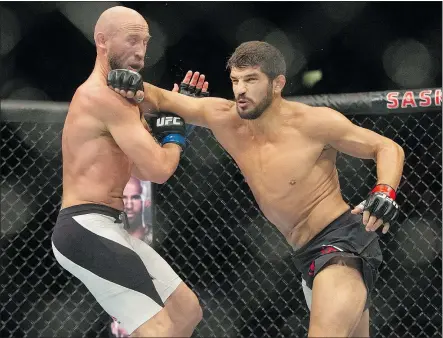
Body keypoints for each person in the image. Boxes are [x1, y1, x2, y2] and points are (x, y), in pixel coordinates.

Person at [109, 40, 404, 337]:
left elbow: (386, 147)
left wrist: (384, 191)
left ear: (277, 84)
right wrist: (132, 82)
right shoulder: (225, 119)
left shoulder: (314, 123)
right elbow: (160, 98)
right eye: (236, 81)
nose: (240, 90)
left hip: (342, 245)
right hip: (306, 253)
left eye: (251, 80)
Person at [51, 6, 208, 337]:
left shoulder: (122, 102)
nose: (141, 52)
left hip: (102, 225)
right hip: (85, 226)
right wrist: (175, 127)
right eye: (132, 40)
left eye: (146, 42)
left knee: (185, 310)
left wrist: (175, 127)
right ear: (102, 41)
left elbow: (141, 168)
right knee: (158, 329)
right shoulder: (105, 98)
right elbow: (161, 169)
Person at [123, 176, 153, 243]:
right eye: (123, 198)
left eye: (135, 197)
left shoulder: (156, 237)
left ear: (147, 202)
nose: (129, 206)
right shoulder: (107, 237)